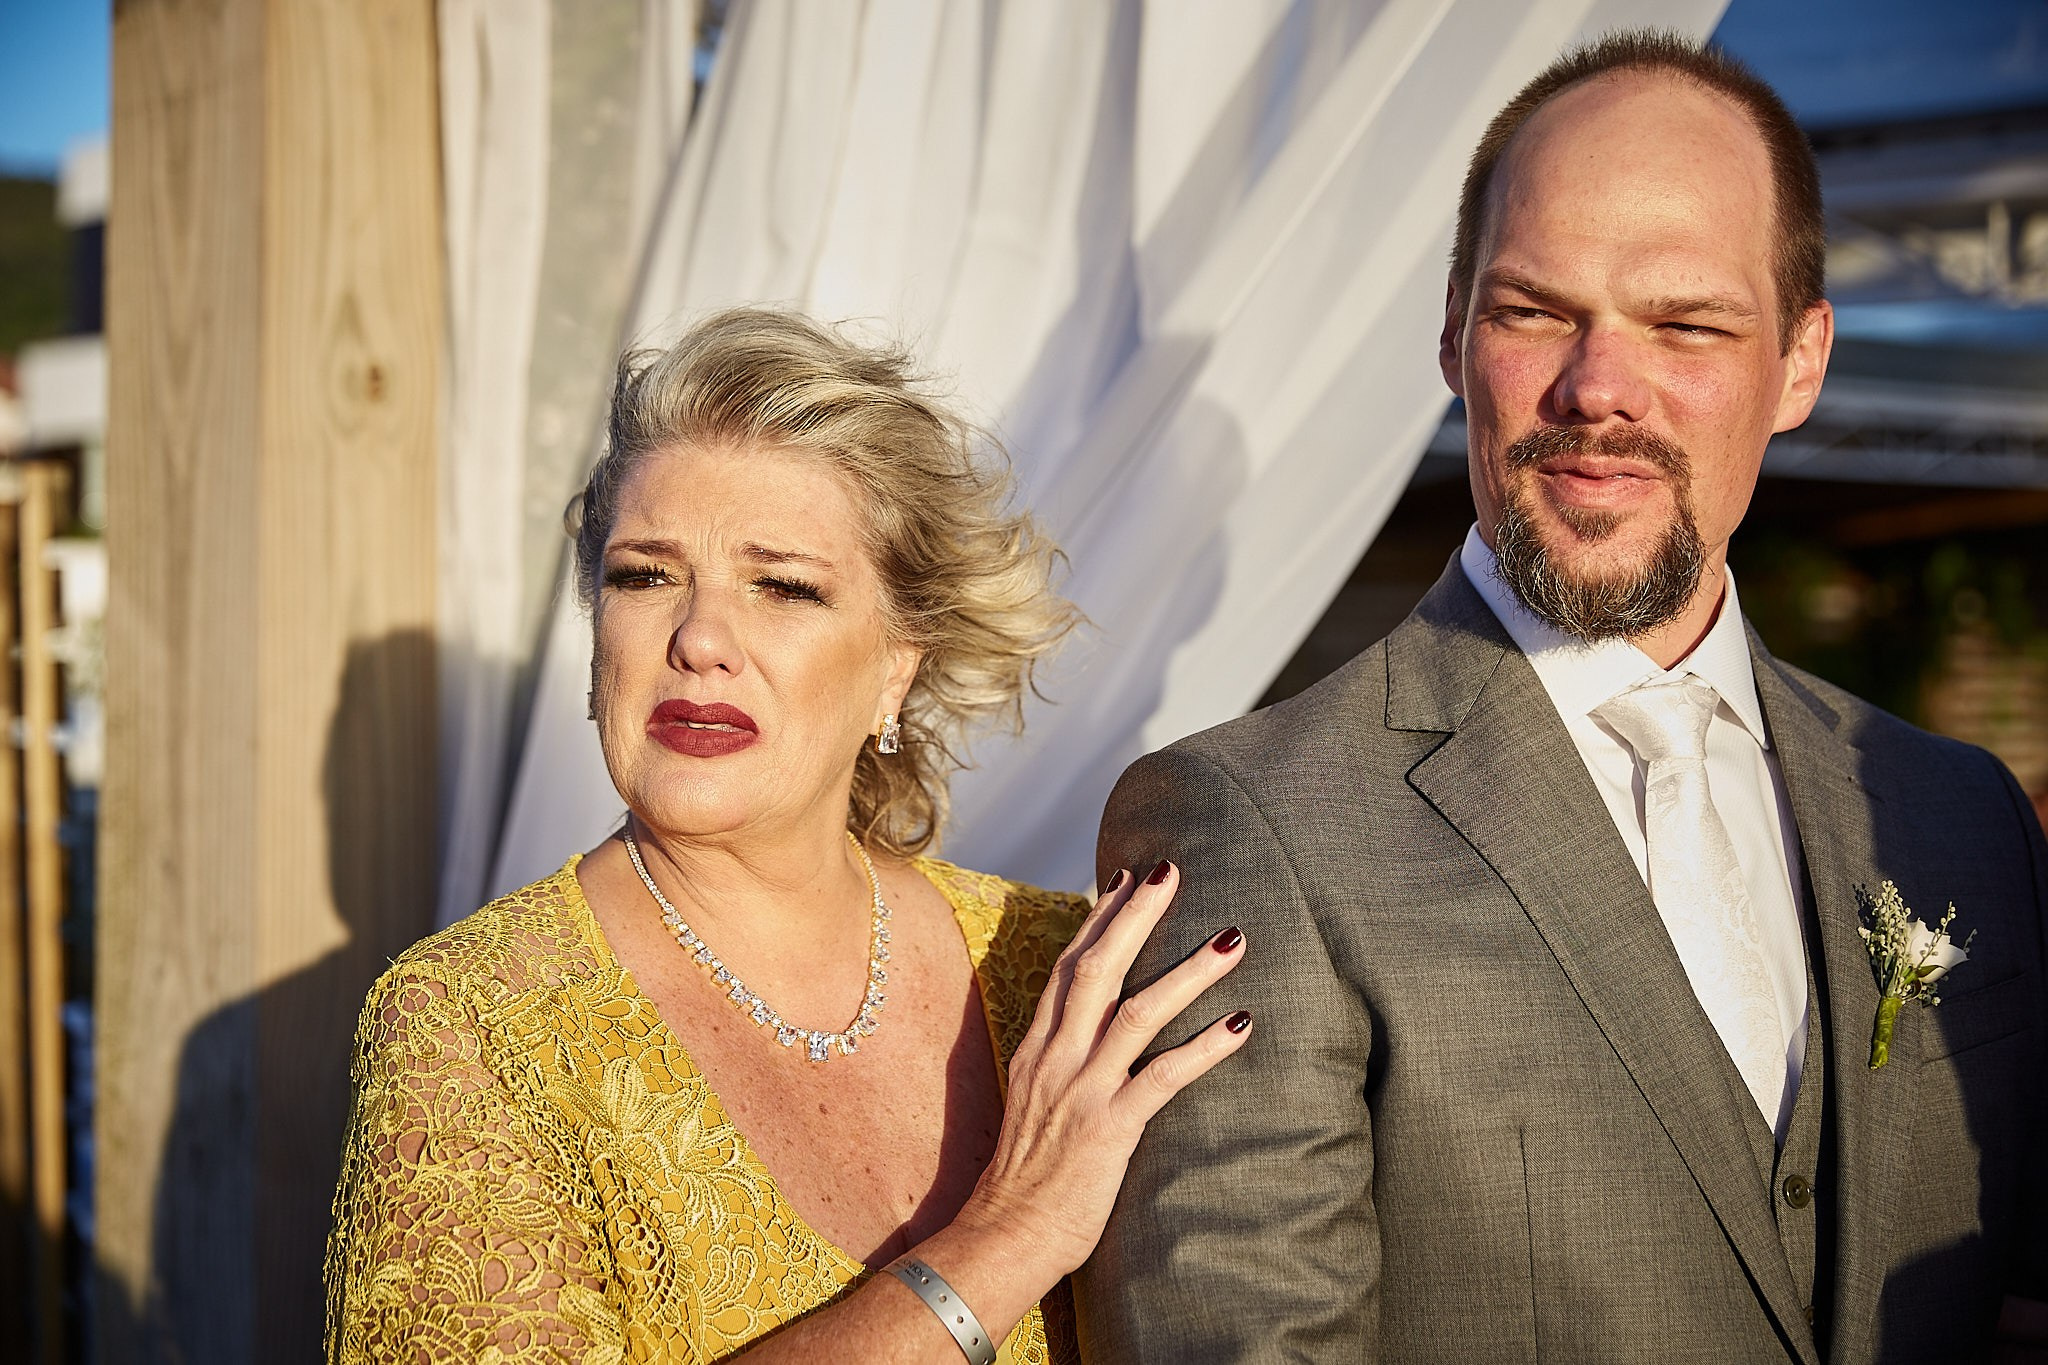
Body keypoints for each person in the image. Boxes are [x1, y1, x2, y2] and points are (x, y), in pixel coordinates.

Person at [1078, 31, 2048, 1365]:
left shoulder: (1955, 816)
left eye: (1685, 324)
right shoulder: (1248, 824)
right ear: (1452, 335)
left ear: (1801, 362)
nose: (1598, 388)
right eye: (1533, 310)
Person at [324, 308, 1253, 1364]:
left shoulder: (1054, 968)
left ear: (895, 667)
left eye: (783, 586)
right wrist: (1013, 1235)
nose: (698, 638)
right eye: (644, 575)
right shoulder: (467, 1025)